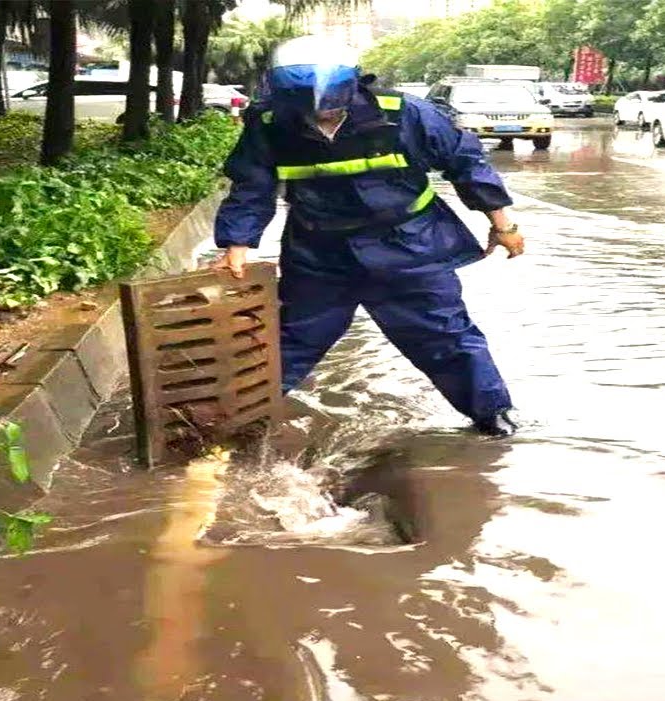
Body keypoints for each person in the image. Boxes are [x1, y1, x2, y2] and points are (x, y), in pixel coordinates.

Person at [210, 36, 524, 436]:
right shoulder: (271, 124)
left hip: (408, 249)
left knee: (445, 338)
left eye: (327, 107)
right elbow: (251, 185)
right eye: (306, 108)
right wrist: (236, 246)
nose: (319, 117)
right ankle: (233, 427)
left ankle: (494, 417)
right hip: (319, 257)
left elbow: (466, 163)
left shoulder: (405, 112)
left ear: (351, 85)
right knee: (290, 344)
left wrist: (503, 227)